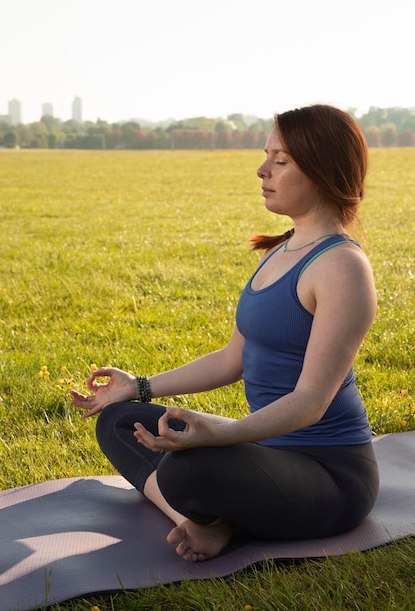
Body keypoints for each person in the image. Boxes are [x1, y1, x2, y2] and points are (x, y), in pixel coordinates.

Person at [71, 104, 379, 563]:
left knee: (185, 469)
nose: (262, 170)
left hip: (330, 476)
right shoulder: (277, 254)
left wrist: (223, 433)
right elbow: (232, 358)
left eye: (281, 160)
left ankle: (214, 515)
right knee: (120, 421)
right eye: (266, 156)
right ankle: (202, 524)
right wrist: (138, 386)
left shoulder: (342, 268)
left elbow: (311, 402)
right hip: (264, 458)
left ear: (319, 169)